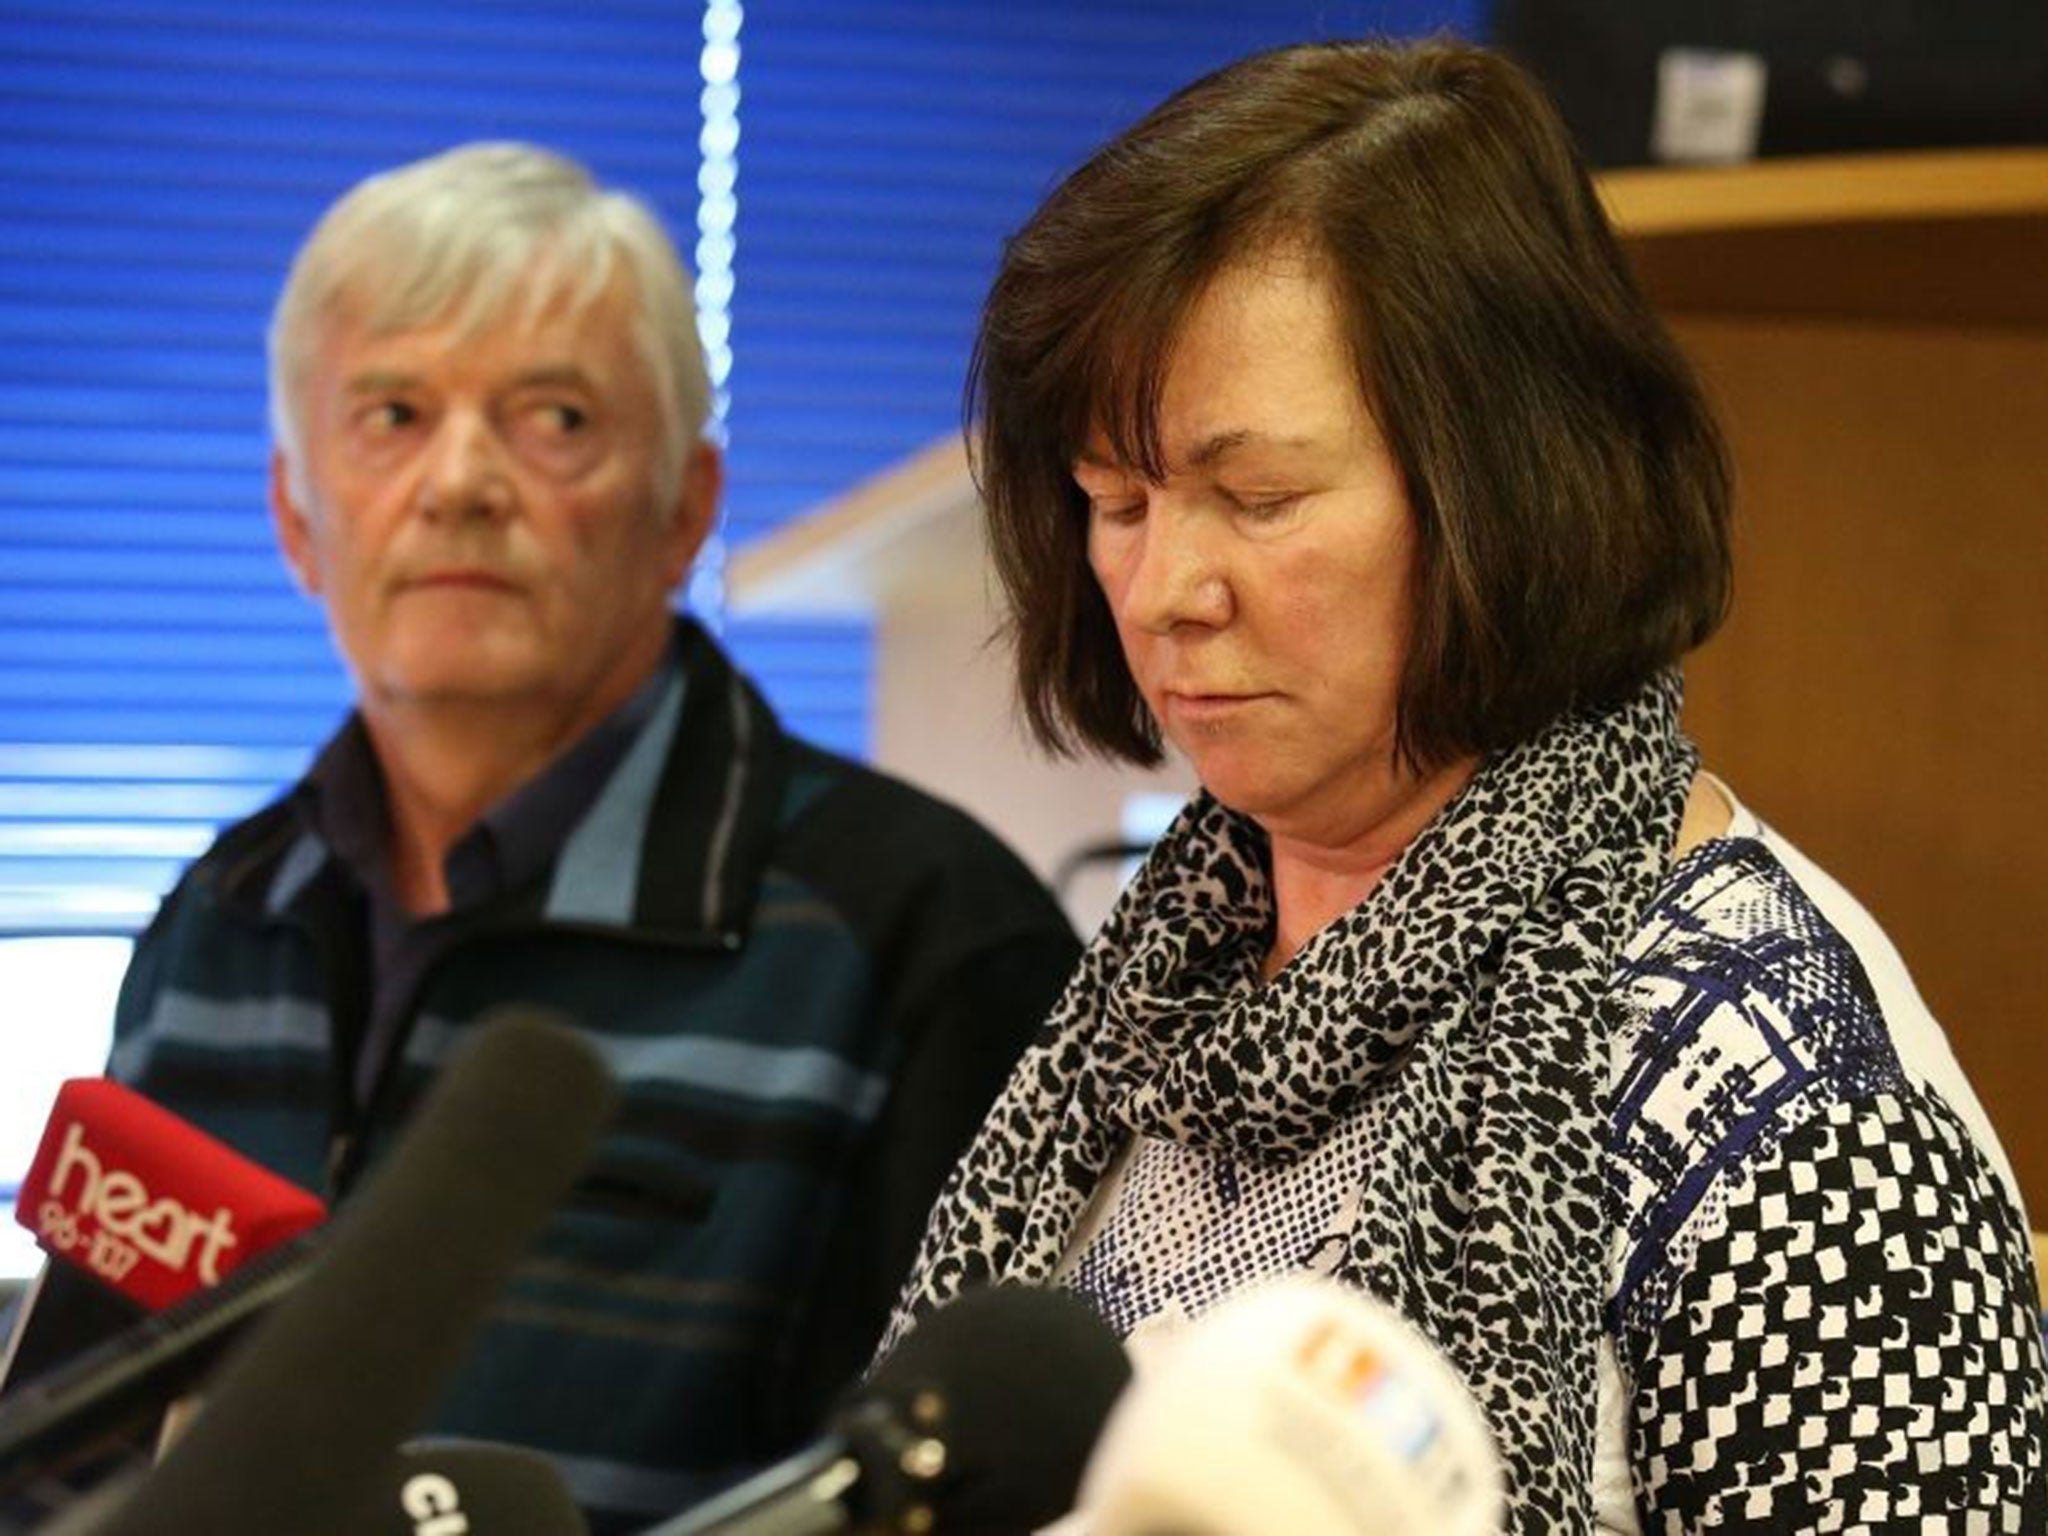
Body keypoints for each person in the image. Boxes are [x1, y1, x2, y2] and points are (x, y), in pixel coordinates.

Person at [884, 37, 2048, 1534]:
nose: (1165, 585)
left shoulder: (1798, 1110)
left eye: (1259, 498)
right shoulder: (1162, 979)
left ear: (1514, 487)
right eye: (1117, 500)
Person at [106, 143, 1078, 1531]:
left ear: (685, 508)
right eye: (390, 414)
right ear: (294, 518)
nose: (459, 483)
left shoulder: (922, 939)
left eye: (551, 418)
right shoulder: (217, 922)